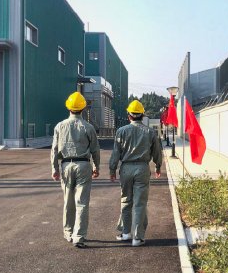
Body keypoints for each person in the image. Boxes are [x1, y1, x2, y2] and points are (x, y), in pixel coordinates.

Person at [109, 100, 162, 246]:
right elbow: (157, 152)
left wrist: (112, 170)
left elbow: (116, 153)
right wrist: (158, 166)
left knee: (126, 201)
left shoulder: (121, 131)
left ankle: (126, 233)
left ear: (129, 116)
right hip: (142, 168)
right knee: (140, 203)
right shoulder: (150, 132)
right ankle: (137, 238)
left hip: (126, 168)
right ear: (142, 115)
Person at [51, 92, 100, 248]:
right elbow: (95, 150)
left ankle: (68, 232)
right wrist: (96, 166)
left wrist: (54, 168)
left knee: (68, 201)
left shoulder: (60, 126)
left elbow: (54, 149)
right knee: (82, 202)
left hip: (66, 165)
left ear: (68, 107)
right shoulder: (88, 127)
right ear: (83, 108)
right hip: (83, 165)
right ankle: (79, 236)